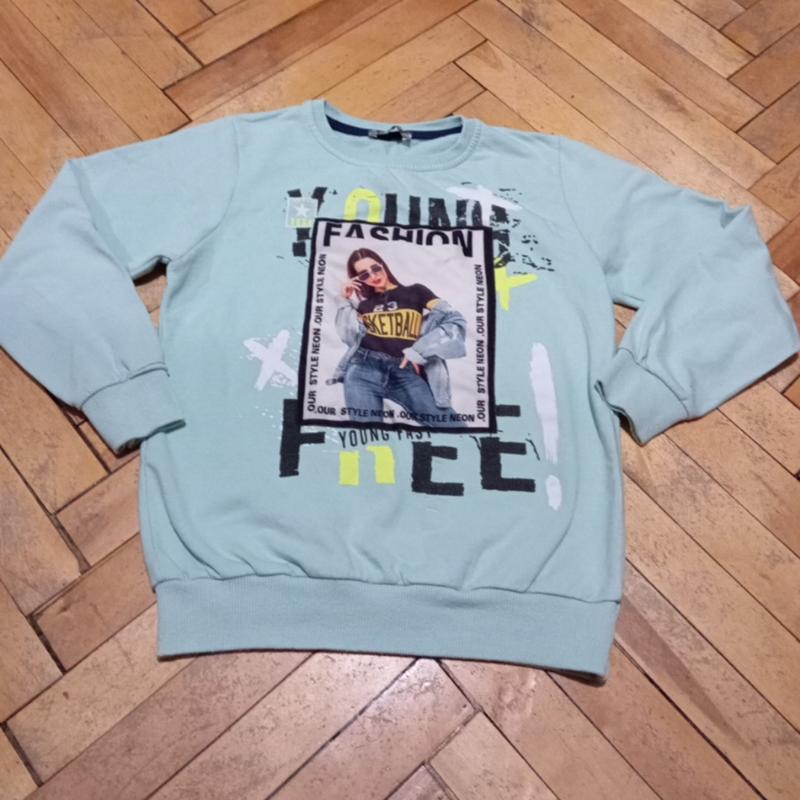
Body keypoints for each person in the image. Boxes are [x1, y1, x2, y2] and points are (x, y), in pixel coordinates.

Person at [334, 247, 466, 428]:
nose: (373, 276)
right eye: (364, 275)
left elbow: (453, 318)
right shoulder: (363, 306)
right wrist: (344, 300)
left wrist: (419, 351)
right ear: (358, 280)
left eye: (375, 268)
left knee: (452, 426)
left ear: (383, 265)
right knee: (367, 433)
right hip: (362, 368)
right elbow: (347, 337)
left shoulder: (416, 291)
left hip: (404, 369)